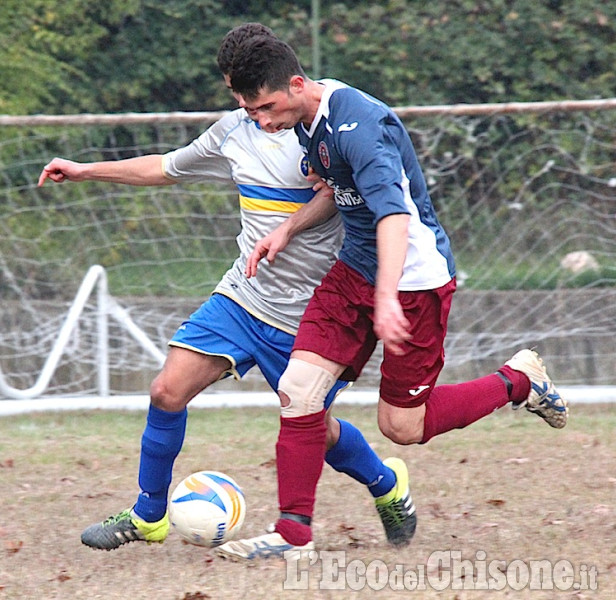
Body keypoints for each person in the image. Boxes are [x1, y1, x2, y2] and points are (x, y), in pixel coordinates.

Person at [37, 24, 417, 559]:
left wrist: (305, 216)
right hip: (245, 294)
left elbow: (354, 196)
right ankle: (148, 515)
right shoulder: (235, 131)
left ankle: (386, 483)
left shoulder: (328, 126)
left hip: (312, 310)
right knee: (166, 390)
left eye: (258, 103)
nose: (253, 114)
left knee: (318, 430)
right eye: (241, 101)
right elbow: (166, 167)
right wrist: (84, 171)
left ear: (289, 86)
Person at [217, 31, 570, 558]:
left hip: (413, 282)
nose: (262, 122)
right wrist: (287, 230)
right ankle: (293, 536)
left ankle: (520, 380)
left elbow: (395, 216)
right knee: (299, 391)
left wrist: (385, 297)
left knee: (403, 427)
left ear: (296, 83)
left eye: (266, 107)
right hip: (354, 269)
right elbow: (338, 193)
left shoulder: (361, 127)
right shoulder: (305, 119)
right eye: (250, 111)